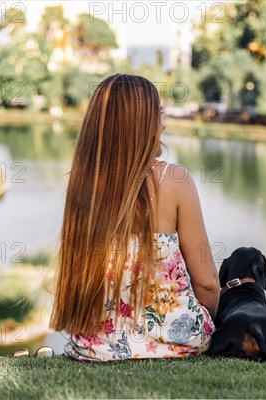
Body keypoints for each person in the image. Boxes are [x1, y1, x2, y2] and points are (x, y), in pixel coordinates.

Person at [49, 74, 220, 361]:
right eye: (159, 114)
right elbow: (208, 284)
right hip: (176, 342)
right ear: (141, 124)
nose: (163, 124)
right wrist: (212, 320)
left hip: (94, 346)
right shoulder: (174, 179)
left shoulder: (83, 184)